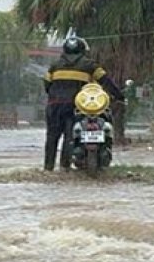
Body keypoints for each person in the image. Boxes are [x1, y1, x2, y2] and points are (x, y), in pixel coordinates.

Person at [43, 37, 125, 171]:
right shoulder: (90, 65)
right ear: (82, 51)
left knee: (52, 137)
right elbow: (106, 81)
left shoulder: (54, 66)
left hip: (54, 105)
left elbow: (46, 85)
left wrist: (55, 95)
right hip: (76, 106)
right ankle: (65, 168)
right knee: (70, 137)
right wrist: (119, 96)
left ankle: (48, 168)